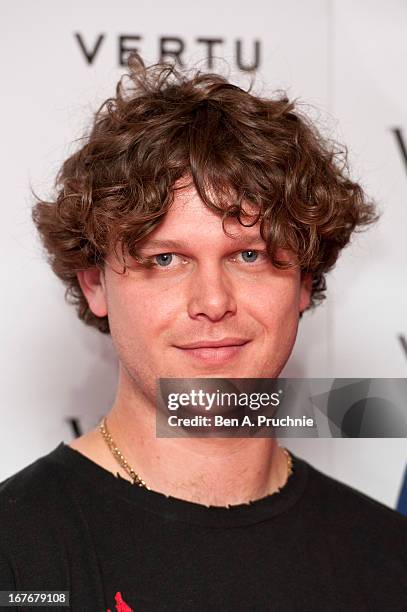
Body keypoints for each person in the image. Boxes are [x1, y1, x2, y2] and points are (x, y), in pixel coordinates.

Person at [0, 54, 406, 611]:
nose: (213, 302)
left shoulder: (390, 558)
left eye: (249, 254)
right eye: (165, 259)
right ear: (95, 283)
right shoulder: (17, 559)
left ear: (306, 279)